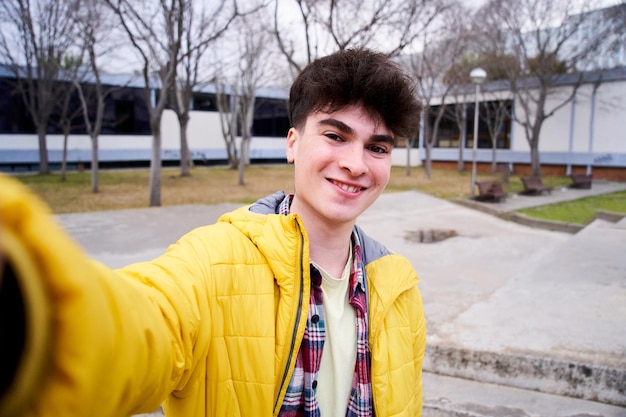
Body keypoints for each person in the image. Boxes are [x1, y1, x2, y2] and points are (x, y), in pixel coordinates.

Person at [0, 47, 426, 417]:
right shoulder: (212, 260)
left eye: (377, 147)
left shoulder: (398, 285)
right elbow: (140, 326)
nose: (356, 163)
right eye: (335, 135)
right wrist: (37, 309)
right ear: (293, 143)